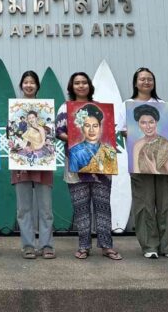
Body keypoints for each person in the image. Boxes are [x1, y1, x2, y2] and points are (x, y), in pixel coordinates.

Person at [56, 72, 122, 261]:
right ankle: (84, 246)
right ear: (71, 86)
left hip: (103, 169)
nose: (81, 86)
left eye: (84, 82)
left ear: (89, 86)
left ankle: (107, 246)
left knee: (103, 206)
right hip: (75, 167)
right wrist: (76, 139)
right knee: (81, 208)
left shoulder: (100, 107)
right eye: (77, 83)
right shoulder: (65, 107)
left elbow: (110, 132)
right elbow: (58, 131)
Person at [123, 67, 168, 259]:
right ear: (135, 82)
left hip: (166, 173)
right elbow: (122, 130)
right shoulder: (128, 105)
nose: (146, 82)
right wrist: (127, 134)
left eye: (149, 79)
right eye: (142, 79)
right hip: (139, 170)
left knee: (167, 204)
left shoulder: (163, 105)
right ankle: (149, 246)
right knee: (143, 204)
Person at [11, 71, 55, 260]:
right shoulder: (14, 112)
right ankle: (28, 245)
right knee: (23, 208)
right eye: (26, 82)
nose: (29, 85)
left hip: (43, 163)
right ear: (21, 86)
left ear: (37, 86)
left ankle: (46, 245)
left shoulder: (46, 120)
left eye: (32, 82)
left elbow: (47, 140)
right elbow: (16, 142)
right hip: (22, 164)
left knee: (45, 208)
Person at [67, 104, 117, 174]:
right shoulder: (74, 152)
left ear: (100, 128)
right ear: (82, 128)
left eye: (95, 126)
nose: (91, 130)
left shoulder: (110, 151)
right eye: (87, 126)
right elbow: (73, 175)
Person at [131, 105, 168, 175]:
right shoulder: (137, 145)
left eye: (151, 122)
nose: (148, 127)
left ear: (156, 122)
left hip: (163, 183)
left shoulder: (164, 145)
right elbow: (136, 173)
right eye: (143, 123)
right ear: (139, 124)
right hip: (143, 184)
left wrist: (154, 171)